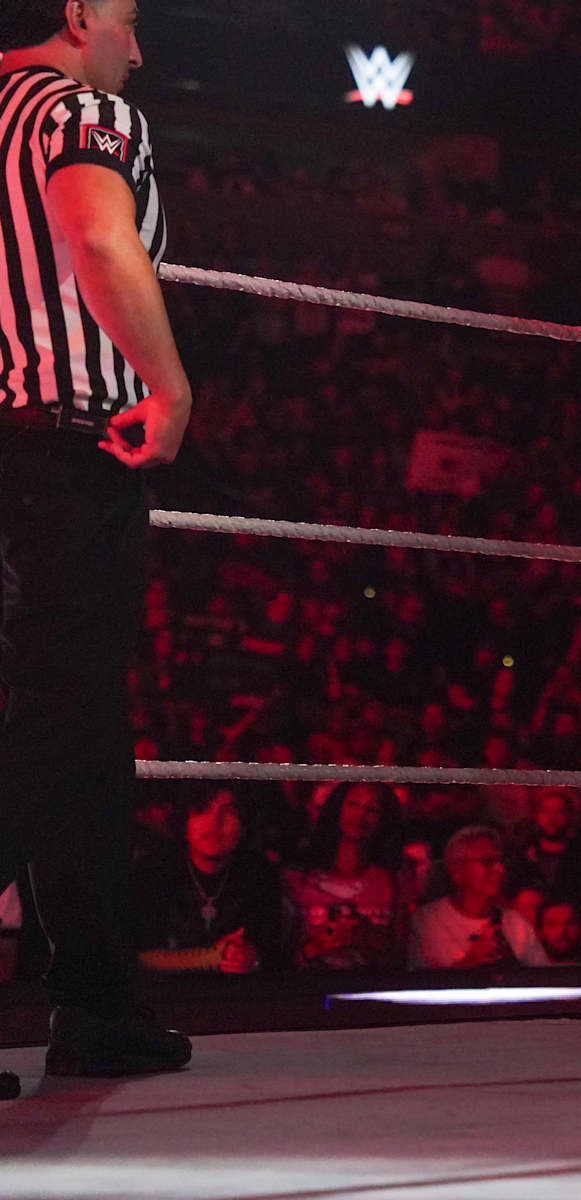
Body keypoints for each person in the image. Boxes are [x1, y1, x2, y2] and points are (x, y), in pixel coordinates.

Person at [0, 0, 194, 1093]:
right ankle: (95, 997)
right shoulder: (81, 109)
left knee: (66, 733)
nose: (138, 44)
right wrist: (169, 386)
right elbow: (92, 233)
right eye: (127, 15)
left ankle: (97, 998)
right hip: (65, 446)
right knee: (59, 725)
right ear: (77, 13)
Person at [131, 788, 282, 975]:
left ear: (243, 827)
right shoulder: (154, 871)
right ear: (185, 821)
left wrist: (251, 957)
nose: (214, 822)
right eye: (202, 810)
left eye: (228, 812)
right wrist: (211, 958)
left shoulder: (259, 874)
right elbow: (139, 955)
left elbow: (272, 949)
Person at [285, 782, 407, 971]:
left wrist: (368, 937)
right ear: (336, 807)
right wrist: (314, 948)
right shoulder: (296, 879)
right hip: (308, 991)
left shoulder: (395, 883)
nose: (360, 815)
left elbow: (403, 957)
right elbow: (276, 958)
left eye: (372, 809)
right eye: (353, 804)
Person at [410, 826, 550, 970]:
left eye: (500, 861)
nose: (499, 869)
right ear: (456, 871)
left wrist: (511, 966)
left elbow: (545, 981)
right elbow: (414, 984)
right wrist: (468, 963)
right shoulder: (426, 922)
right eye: (487, 861)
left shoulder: (517, 925)